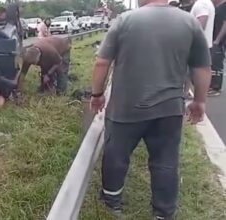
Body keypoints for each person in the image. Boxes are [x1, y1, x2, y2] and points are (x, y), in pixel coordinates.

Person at [90, 0, 211, 219]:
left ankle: (112, 202)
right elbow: (201, 67)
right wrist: (200, 101)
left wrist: (97, 95)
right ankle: (164, 213)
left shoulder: (124, 21)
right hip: (169, 109)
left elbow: (102, 62)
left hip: (125, 109)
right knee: (165, 161)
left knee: (116, 155)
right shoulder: (189, 22)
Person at [184, 0, 215, 98]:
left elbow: (201, 23)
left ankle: (198, 99)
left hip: (198, 45)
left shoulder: (202, 3)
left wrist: (191, 40)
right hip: (203, 44)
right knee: (191, 72)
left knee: (196, 72)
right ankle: (186, 93)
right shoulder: (207, 2)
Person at [208, 0, 226, 95]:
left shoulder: (224, 6)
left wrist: (218, 39)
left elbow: (225, 23)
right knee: (213, 62)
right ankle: (212, 85)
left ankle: (216, 87)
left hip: (219, 40)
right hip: (213, 37)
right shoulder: (217, 6)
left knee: (217, 63)